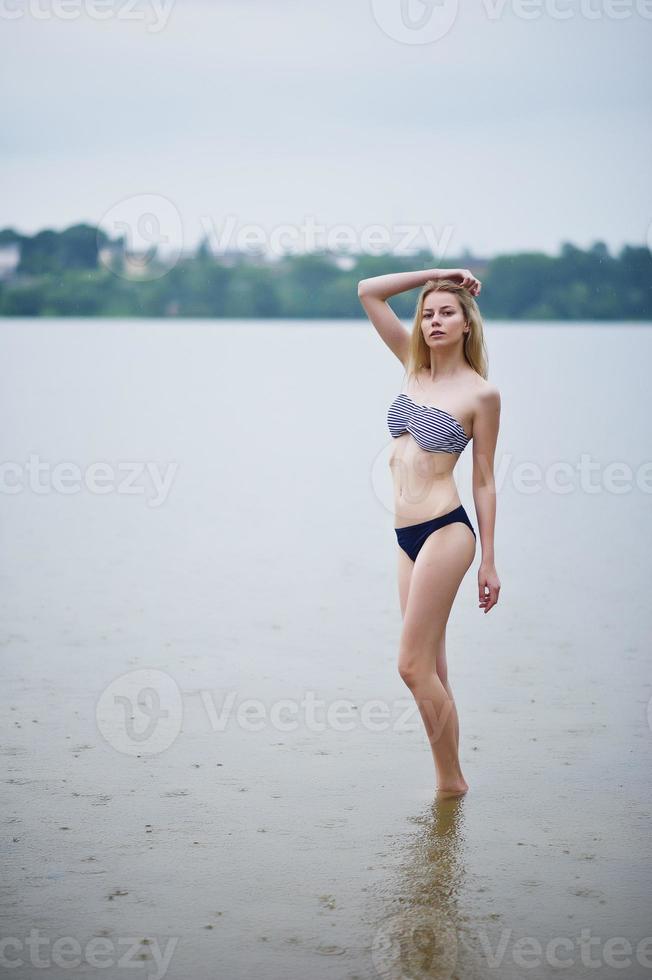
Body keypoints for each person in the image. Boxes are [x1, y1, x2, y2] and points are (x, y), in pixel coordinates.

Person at [357, 267, 501, 798]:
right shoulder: (410, 366)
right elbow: (368, 291)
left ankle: (450, 784)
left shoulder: (481, 394)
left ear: (467, 324)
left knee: (411, 666)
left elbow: (484, 480)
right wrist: (438, 275)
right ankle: (450, 787)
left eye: (447, 312)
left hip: (447, 531)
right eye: (427, 312)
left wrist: (488, 560)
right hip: (406, 539)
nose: (434, 320)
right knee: (433, 668)